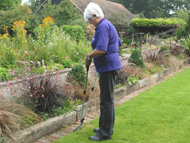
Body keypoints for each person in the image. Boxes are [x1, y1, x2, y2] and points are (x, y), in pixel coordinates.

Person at [83, 2, 122, 141]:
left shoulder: (103, 26)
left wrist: (89, 56)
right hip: (109, 66)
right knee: (106, 99)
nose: (90, 23)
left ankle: (105, 133)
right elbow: (118, 43)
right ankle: (106, 128)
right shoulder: (107, 25)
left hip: (108, 67)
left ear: (95, 16)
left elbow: (102, 49)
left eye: (90, 20)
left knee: (106, 101)